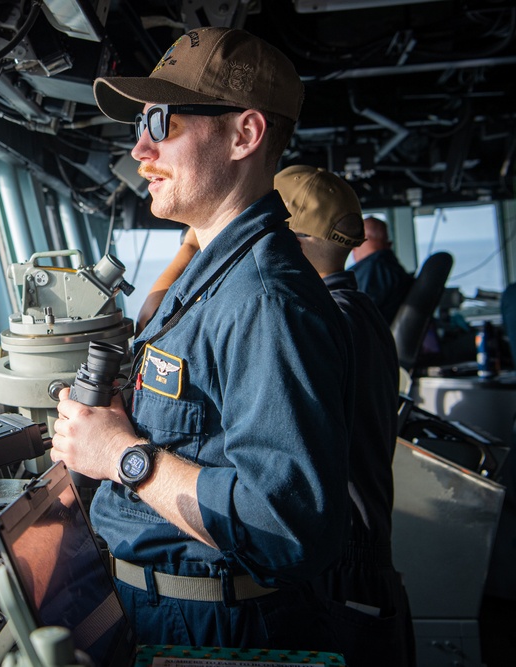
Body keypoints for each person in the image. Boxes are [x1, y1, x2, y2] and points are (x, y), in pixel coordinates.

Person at [51, 27, 354, 652]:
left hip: (217, 631)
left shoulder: (265, 300)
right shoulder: (217, 276)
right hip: (166, 610)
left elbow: (286, 526)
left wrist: (125, 459)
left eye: (161, 121)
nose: (139, 148)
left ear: (244, 134)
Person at [274, 165, 416, 666]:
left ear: (287, 238)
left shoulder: (322, 325)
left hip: (342, 567)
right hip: (364, 555)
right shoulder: (361, 311)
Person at [350, 216, 414, 324]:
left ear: (362, 239)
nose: (352, 249)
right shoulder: (391, 268)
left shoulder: (374, 270)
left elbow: (356, 317)